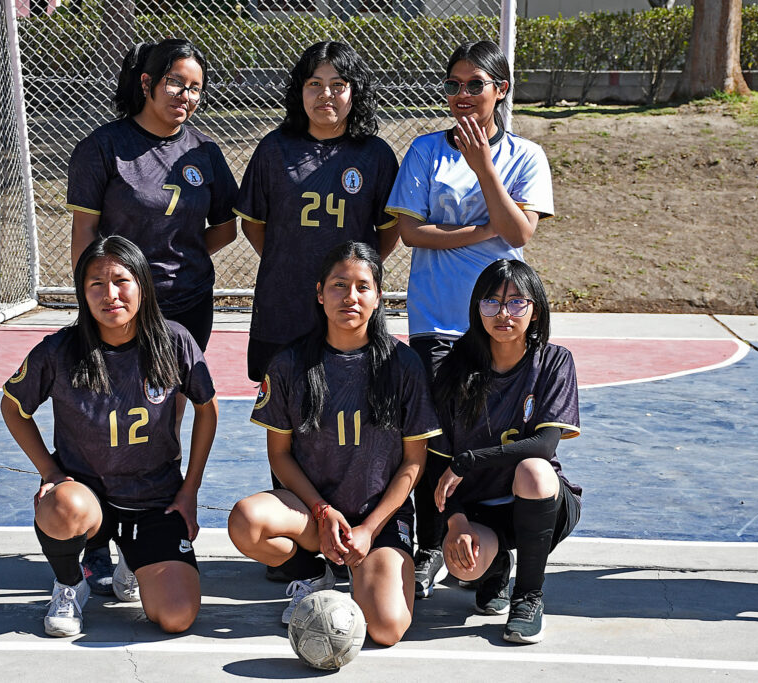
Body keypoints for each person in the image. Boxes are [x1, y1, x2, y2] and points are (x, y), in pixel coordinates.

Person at [384, 40, 554, 599]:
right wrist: (484, 231)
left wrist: (483, 168)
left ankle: (494, 549)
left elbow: (522, 232)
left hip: (501, 322)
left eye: (474, 84)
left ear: (499, 90)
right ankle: (436, 542)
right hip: (437, 320)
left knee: (492, 439)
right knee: (436, 438)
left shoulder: (525, 156)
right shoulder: (426, 151)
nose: (461, 95)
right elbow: (411, 233)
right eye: (453, 84)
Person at [66, 38, 237, 592]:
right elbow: (85, 238)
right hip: (115, 311)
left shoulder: (205, 152)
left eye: (194, 87)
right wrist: (104, 295)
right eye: (174, 83)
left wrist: (177, 260)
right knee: (100, 417)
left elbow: (224, 227)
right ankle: (94, 538)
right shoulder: (103, 149)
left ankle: (144, 534)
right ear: (146, 82)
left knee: (168, 419)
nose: (185, 95)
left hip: (183, 308)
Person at [1, 235, 218, 637]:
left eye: (121, 280)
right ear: (83, 294)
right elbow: (13, 406)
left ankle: (133, 560)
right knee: (61, 504)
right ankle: (70, 583)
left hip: (154, 500)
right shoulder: (59, 351)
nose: (110, 294)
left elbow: (207, 409)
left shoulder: (174, 342)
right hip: (88, 498)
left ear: (142, 285)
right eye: (96, 284)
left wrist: (189, 492)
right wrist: (49, 471)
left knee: (176, 617)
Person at [228, 241, 441, 647]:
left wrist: (367, 529)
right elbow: (280, 454)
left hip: (376, 521)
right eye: (339, 285)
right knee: (246, 521)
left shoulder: (402, 364)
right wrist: (323, 512)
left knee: (386, 628)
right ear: (320, 293)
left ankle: (368, 569)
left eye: (363, 286)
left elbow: (414, 463)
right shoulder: (290, 363)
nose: (351, 297)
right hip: (312, 514)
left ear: (379, 297)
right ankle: (310, 573)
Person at [430, 259, 581, 645]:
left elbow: (546, 445)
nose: (502, 313)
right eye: (491, 302)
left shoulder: (553, 361)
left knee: (533, 469)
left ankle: (528, 596)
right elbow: (439, 463)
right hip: (481, 508)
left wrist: (471, 459)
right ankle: (494, 566)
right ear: (476, 308)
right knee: (461, 565)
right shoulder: (453, 369)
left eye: (516, 303)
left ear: (536, 311)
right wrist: (457, 523)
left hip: (540, 502)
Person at [235, 41, 400, 386]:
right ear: (300, 91)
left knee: (350, 406)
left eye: (338, 85)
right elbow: (252, 223)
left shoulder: (376, 155)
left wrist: (354, 269)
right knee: (281, 412)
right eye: (314, 84)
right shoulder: (274, 149)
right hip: (284, 303)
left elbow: (389, 230)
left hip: (348, 306)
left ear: (355, 92)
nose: (326, 94)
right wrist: (290, 258)